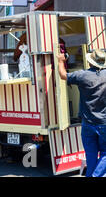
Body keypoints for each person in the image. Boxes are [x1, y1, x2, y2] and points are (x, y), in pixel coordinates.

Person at [58, 48, 106, 177]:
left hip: (87, 123)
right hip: (104, 123)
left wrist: (60, 61)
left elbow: (63, 75)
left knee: (91, 155)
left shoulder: (82, 75)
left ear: (90, 62)